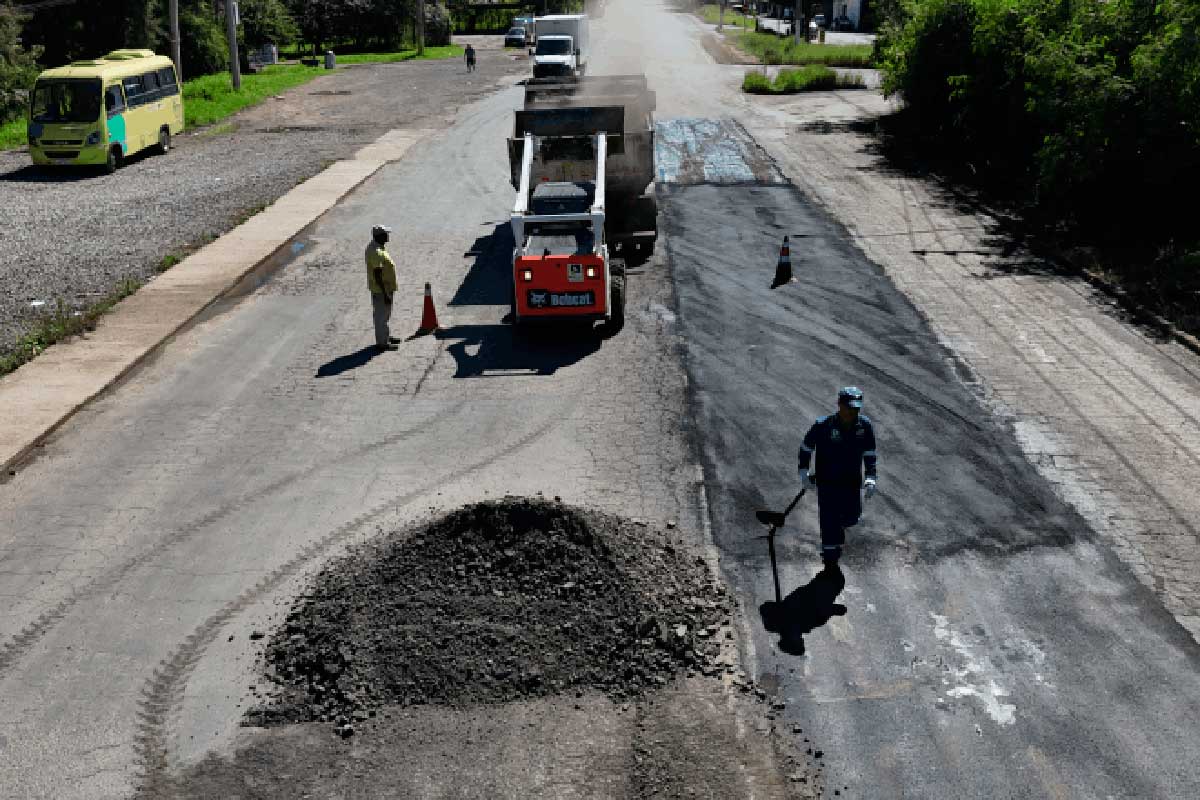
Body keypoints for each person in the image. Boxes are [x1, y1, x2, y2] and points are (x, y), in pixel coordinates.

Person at [797, 386, 878, 565]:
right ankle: (829, 556)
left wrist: (871, 476)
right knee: (829, 519)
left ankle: (838, 530)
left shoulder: (864, 426)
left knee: (851, 517)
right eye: (849, 407)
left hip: (851, 482)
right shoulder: (822, 426)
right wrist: (804, 471)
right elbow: (806, 448)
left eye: (856, 408)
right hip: (828, 482)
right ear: (839, 405)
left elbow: (869, 453)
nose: (852, 412)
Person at [365, 224, 399, 351]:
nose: (388, 236)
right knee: (381, 317)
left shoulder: (378, 247)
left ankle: (385, 336)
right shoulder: (376, 252)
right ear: (379, 236)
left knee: (385, 315)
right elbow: (377, 274)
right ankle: (382, 343)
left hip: (385, 289)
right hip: (381, 291)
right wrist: (385, 294)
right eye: (386, 234)